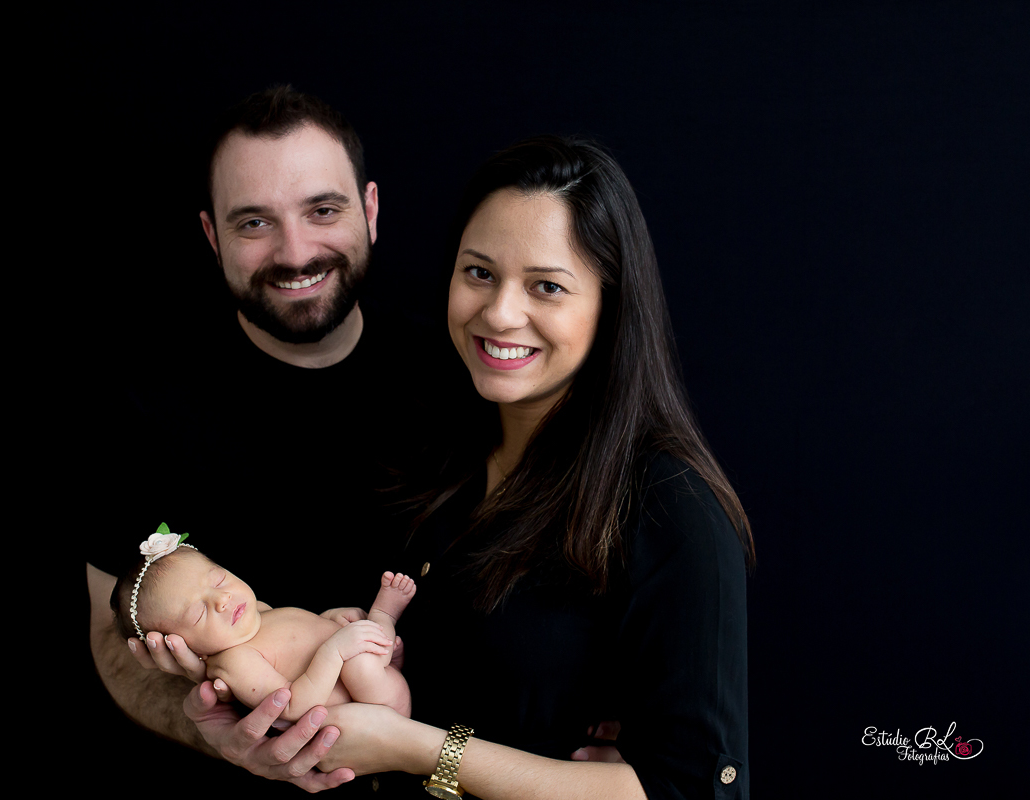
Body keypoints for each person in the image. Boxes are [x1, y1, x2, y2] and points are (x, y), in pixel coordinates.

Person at [187, 135, 752, 798]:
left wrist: (416, 749)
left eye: (547, 286)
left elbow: (694, 791)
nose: (500, 313)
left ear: (610, 305)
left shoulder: (671, 509)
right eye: (479, 273)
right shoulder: (435, 450)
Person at [84, 85, 439, 795]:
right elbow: (110, 643)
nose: (296, 250)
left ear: (369, 210)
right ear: (213, 238)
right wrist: (229, 737)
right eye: (254, 223)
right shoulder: (143, 411)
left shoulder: (452, 379)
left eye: (323, 210)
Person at [112, 527, 416, 720]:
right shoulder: (234, 660)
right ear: (180, 648)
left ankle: (384, 648)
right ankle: (384, 619)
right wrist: (334, 650)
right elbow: (290, 707)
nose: (222, 599)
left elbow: (297, 641)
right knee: (360, 663)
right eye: (197, 614)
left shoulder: (254, 613)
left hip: (366, 681)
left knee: (353, 631)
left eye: (218, 578)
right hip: (372, 711)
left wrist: (329, 621)